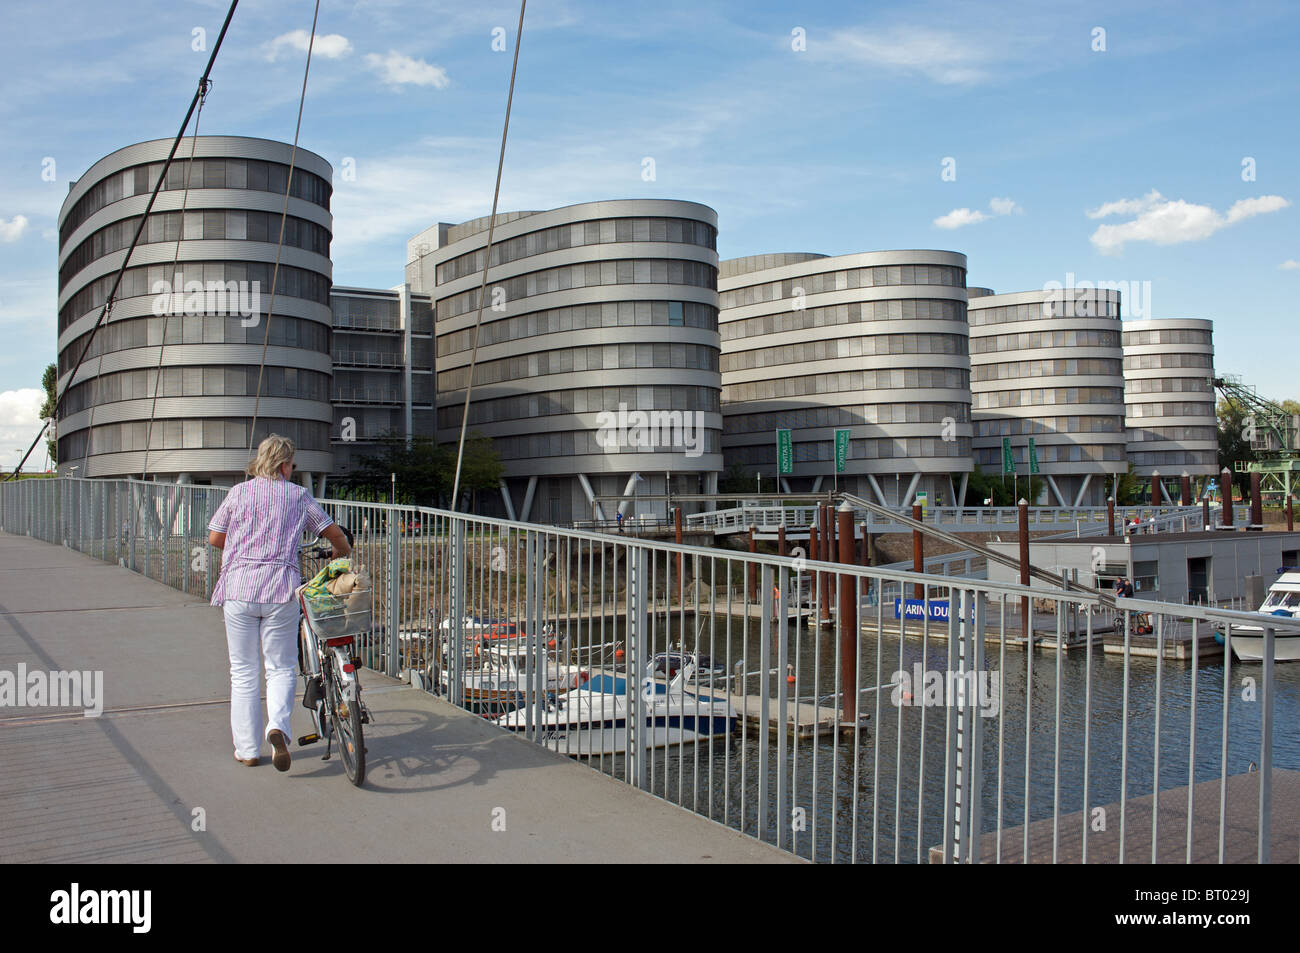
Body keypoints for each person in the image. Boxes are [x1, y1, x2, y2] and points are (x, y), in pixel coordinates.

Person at [207, 435, 351, 771]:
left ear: (260, 462)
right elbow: (332, 532)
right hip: (281, 591)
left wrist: (240, 551)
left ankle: (246, 750)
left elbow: (215, 537)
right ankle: (278, 728)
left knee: (242, 671)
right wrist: (341, 551)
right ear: (285, 465)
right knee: (281, 667)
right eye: (292, 464)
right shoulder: (298, 496)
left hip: (239, 589)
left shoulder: (239, 492)